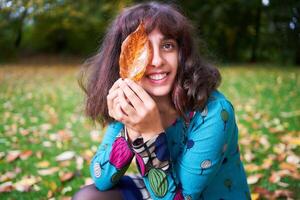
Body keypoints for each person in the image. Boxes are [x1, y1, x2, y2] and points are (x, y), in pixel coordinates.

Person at [73, 1, 250, 200]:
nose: (157, 60)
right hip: (162, 188)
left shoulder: (215, 112)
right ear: (125, 59)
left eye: (167, 46)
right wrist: (131, 128)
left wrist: (149, 133)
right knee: (88, 197)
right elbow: (101, 177)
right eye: (143, 49)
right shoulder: (135, 100)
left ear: (182, 53)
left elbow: (181, 197)